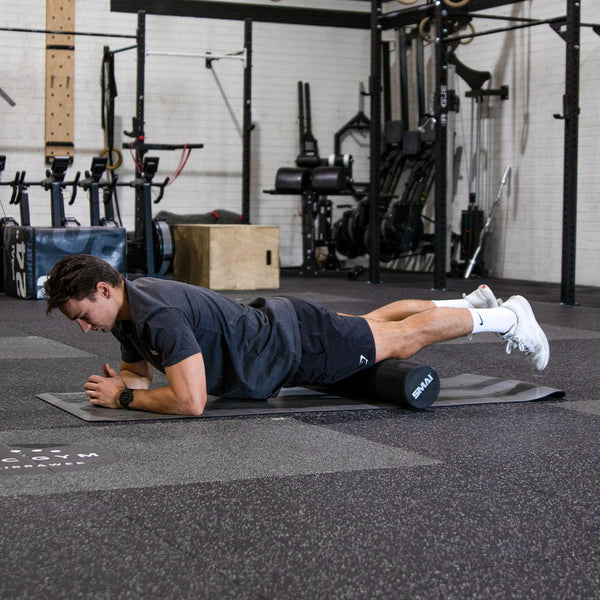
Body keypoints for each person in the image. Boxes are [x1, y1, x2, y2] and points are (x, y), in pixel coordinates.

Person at [44, 254, 549, 416]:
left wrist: (128, 402)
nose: (86, 328)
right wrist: (125, 384)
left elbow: (191, 401)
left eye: (83, 314)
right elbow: (139, 372)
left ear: (104, 289)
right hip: (286, 327)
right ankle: (469, 304)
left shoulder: (157, 314)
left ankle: (507, 319)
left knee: (404, 340)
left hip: (294, 347)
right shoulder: (130, 309)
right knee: (375, 324)